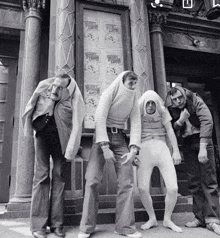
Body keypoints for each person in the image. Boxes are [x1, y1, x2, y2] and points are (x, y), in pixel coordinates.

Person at [78, 71, 142, 238]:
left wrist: (134, 150)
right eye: (131, 82)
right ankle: (86, 228)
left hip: (120, 138)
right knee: (92, 180)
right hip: (101, 138)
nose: (133, 85)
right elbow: (99, 116)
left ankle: (125, 227)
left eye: (136, 82)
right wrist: (105, 147)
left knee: (126, 182)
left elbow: (136, 121)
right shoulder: (110, 91)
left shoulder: (133, 96)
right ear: (122, 81)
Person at [22, 74, 85, 238]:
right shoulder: (45, 86)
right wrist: (30, 127)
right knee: (41, 176)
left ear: (67, 88)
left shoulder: (75, 97)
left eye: (59, 87)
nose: (55, 89)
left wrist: (72, 148)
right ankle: (38, 226)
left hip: (61, 141)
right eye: (54, 85)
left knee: (59, 177)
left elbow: (77, 124)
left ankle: (57, 225)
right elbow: (30, 107)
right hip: (42, 136)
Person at [165, 85, 220, 236]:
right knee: (194, 181)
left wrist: (203, 147)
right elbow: (172, 127)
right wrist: (180, 121)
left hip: (203, 141)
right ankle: (199, 217)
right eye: (174, 99)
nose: (178, 101)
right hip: (187, 142)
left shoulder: (195, 99)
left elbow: (207, 121)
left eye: (179, 97)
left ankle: (213, 219)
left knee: (208, 180)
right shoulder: (172, 107)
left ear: (183, 94)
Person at [137, 90, 182, 233]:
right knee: (142, 188)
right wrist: (134, 152)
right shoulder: (137, 111)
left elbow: (170, 130)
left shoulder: (162, 111)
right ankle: (152, 218)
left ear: (157, 104)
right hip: (144, 148)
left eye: (153, 103)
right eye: (148, 103)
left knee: (173, 188)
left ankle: (167, 219)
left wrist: (175, 150)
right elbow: (134, 131)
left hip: (162, 147)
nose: (150, 106)